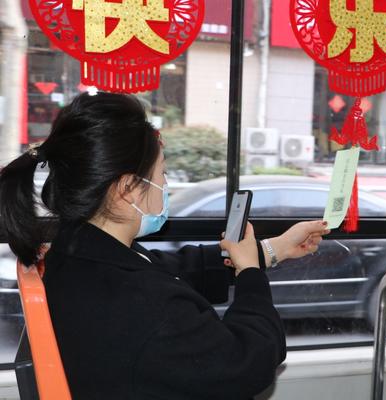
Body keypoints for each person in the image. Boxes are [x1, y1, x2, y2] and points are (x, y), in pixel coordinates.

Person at [0, 92, 330, 400]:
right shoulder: (145, 306)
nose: (166, 185)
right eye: (162, 173)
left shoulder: (77, 250)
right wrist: (250, 275)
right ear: (127, 189)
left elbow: (173, 269)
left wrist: (272, 249)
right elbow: (248, 363)